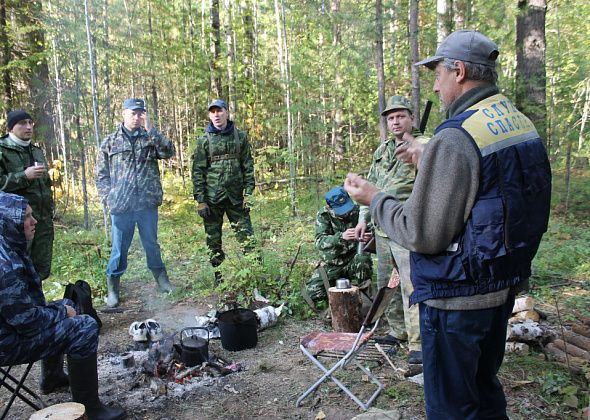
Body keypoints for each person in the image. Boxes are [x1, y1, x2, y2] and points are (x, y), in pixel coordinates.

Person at [344, 30, 551, 419]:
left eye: (437, 74)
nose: (435, 87)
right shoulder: (517, 120)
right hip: (501, 284)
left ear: (458, 71)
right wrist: (432, 164)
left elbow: (422, 233)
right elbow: (499, 195)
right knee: (484, 390)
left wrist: (375, 199)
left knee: (452, 407)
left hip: (457, 297)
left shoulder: (455, 136)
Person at [0, 192, 126, 420]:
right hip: (7, 344)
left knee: (67, 304)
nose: (34, 220)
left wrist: (59, 309)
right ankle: (90, 408)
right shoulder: (6, 266)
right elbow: (27, 323)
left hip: (7, 330)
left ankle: (52, 377)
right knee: (84, 326)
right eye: (26, 217)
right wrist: (60, 313)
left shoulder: (7, 246)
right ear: (9, 223)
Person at [355, 95, 428, 364]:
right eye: (391, 118)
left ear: (411, 118)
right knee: (388, 284)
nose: (396, 121)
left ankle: (418, 342)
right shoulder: (382, 150)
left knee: (412, 285)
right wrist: (363, 218)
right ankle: (397, 332)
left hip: (407, 227)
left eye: (400, 116)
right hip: (382, 226)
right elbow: (371, 185)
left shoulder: (424, 145)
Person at [96, 98, 175, 308]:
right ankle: (113, 290)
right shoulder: (110, 142)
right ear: (123, 113)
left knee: (151, 244)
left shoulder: (150, 138)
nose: (137, 117)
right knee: (119, 249)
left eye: (141, 113)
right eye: (133, 113)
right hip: (121, 207)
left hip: (147, 204)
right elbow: (101, 175)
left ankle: (163, 282)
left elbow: (168, 152)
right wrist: (108, 197)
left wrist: (153, 131)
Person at [191, 99, 257, 281]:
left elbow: (248, 166)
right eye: (212, 112)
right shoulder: (204, 141)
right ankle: (218, 277)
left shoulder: (240, 137)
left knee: (248, 239)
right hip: (213, 200)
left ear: (226, 112)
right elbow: (198, 172)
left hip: (237, 198)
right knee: (213, 241)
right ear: (209, 115)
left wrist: (249, 194)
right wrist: (201, 201)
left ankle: (256, 275)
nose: (216, 115)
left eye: (219, 111)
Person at [0, 110, 54, 280]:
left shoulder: (36, 151)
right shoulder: (3, 151)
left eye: (30, 123)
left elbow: (45, 184)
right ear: (11, 128)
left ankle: (37, 304)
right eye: (22, 123)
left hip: (42, 221)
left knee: (40, 269)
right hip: (16, 226)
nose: (28, 127)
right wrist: (24, 176)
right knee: (18, 269)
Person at [304, 186, 373, 306]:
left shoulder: (358, 212)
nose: (345, 213)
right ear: (330, 207)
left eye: (346, 207)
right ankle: (336, 295)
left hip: (353, 261)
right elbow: (320, 241)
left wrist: (369, 238)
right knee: (312, 294)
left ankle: (365, 296)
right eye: (340, 210)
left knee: (363, 259)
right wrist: (341, 237)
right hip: (332, 264)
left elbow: (373, 231)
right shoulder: (324, 215)